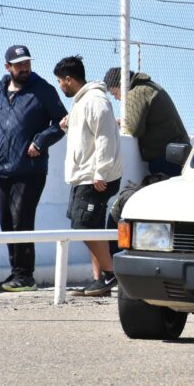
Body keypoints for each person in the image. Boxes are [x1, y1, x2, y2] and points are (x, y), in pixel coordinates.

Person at [0, 45, 66, 292]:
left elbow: (62, 123)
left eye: (27, 63)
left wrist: (40, 141)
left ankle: (25, 275)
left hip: (30, 169)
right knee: (6, 222)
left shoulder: (43, 91)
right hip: (1, 167)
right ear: (8, 66)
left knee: (22, 219)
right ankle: (15, 272)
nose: (25, 68)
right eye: (19, 64)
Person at [54, 56, 123, 297]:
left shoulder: (96, 100)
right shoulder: (81, 101)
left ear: (69, 80)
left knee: (83, 225)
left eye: (60, 81)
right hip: (83, 176)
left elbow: (105, 137)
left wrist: (100, 172)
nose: (60, 86)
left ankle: (112, 273)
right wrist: (67, 125)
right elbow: (86, 134)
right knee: (89, 226)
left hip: (95, 177)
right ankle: (100, 280)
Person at [103, 68, 190, 177]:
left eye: (115, 93)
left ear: (122, 85)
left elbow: (134, 130)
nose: (116, 98)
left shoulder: (136, 93)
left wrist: (124, 123)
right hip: (177, 152)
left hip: (165, 157)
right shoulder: (149, 87)